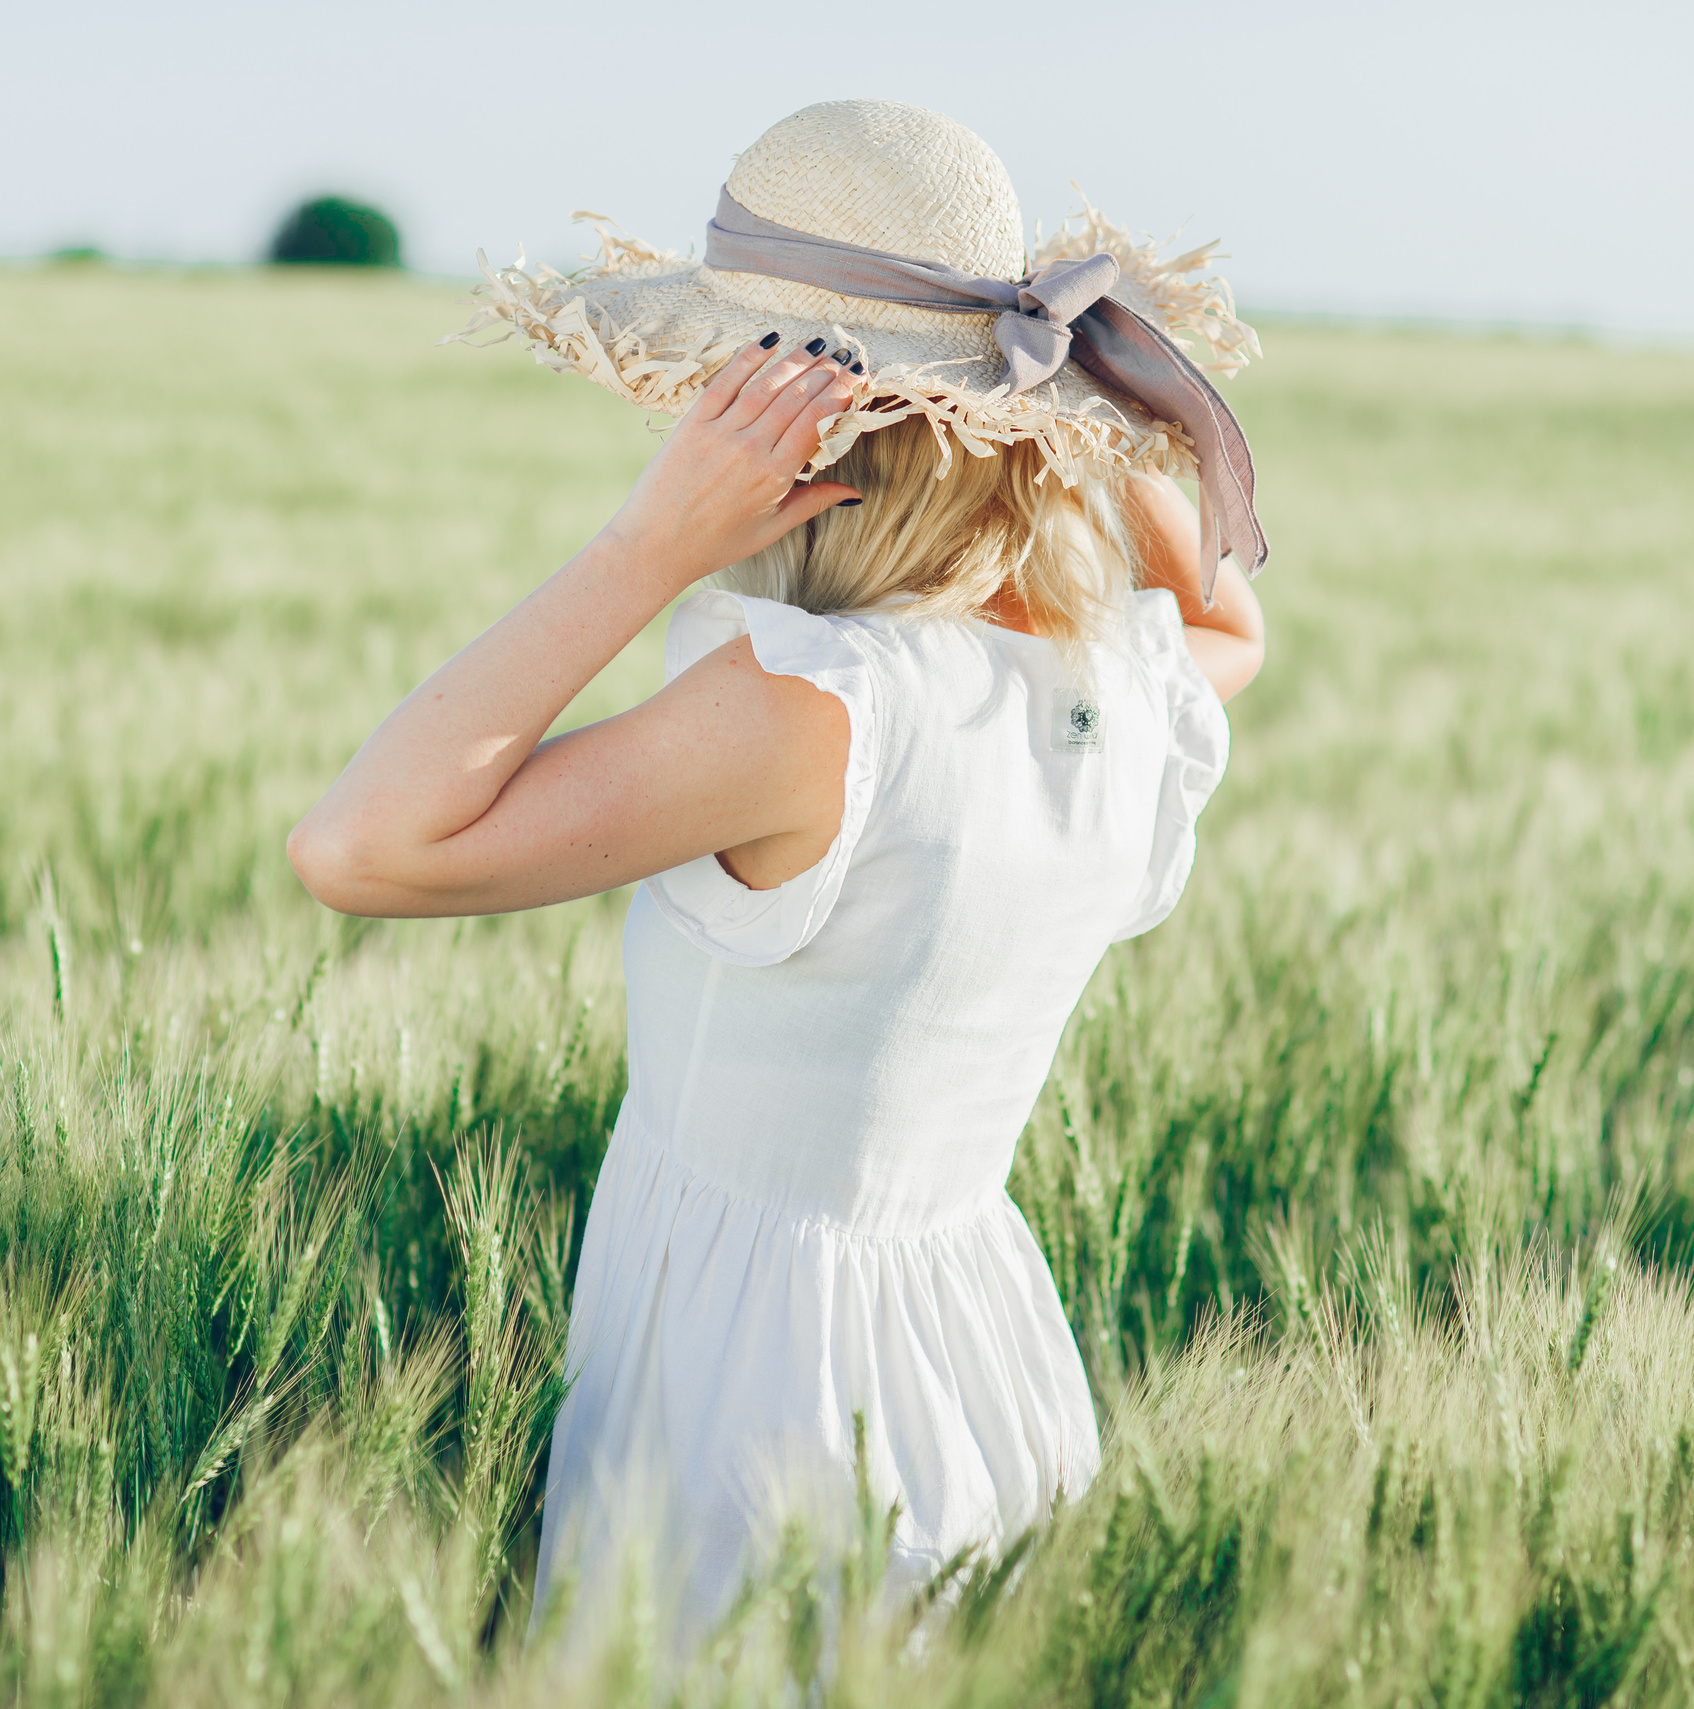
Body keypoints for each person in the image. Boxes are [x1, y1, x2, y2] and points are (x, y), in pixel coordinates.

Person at [287, 98, 1270, 1649]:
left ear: (798, 424)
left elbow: (359, 845)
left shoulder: (805, 713)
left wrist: (643, 548)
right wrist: (1087, 398)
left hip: (759, 1405)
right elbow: (1231, 624)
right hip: (984, 1357)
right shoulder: (1120, 684)